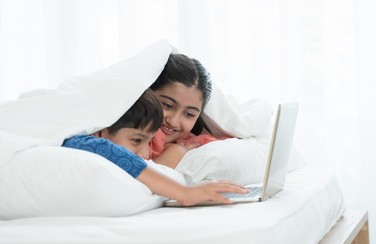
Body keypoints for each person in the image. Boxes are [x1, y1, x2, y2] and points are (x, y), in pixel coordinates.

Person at [62, 89, 247, 206]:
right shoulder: (80, 142)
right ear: (100, 133)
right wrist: (185, 193)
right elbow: (116, 155)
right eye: (136, 140)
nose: (144, 153)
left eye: (147, 142)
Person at [149, 53, 228, 168]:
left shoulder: (195, 145)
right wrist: (176, 153)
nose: (173, 122)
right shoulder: (124, 132)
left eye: (189, 114)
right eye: (168, 105)